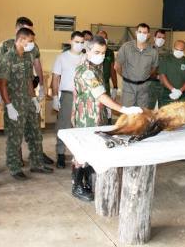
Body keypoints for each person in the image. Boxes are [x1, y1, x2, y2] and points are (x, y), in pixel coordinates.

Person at [71, 35, 143, 201]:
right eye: (97, 52)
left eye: (103, 53)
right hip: (86, 117)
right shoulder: (86, 71)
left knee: (94, 150)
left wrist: (108, 110)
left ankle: (89, 181)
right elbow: (100, 95)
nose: (101, 56)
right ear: (87, 50)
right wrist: (123, 109)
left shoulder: (96, 66)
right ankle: (77, 186)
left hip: (98, 115)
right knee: (82, 151)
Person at [0, 17, 54, 165]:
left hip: (27, 96)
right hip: (12, 96)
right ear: (19, 32)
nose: (32, 37)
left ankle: (36, 159)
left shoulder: (29, 52)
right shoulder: (6, 48)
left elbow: (33, 70)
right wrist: (2, 97)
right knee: (15, 134)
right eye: (28, 31)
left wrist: (38, 89)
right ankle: (16, 162)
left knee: (33, 130)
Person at [52, 31, 85, 168]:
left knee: (81, 126)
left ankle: (79, 155)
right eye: (77, 42)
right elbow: (55, 78)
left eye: (82, 42)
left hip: (83, 96)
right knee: (63, 125)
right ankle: (60, 153)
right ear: (71, 41)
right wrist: (55, 96)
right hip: (67, 95)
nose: (79, 44)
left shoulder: (86, 57)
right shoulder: (62, 57)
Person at [115, 23, 159, 108]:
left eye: (145, 32)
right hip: (128, 87)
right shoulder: (126, 47)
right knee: (127, 113)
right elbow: (117, 66)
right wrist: (124, 76)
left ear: (148, 35)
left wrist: (145, 76)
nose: (142, 34)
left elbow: (154, 68)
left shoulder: (153, 51)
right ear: (136, 33)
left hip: (144, 88)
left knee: (141, 114)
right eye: (140, 32)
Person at [158, 40, 185, 107]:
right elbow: (162, 75)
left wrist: (180, 91)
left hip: (182, 94)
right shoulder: (165, 59)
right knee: (165, 115)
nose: (179, 51)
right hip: (166, 93)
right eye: (177, 49)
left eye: (181, 50)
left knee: (181, 115)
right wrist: (172, 89)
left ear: (184, 50)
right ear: (173, 48)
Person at [96, 30, 118, 123]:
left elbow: (112, 70)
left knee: (107, 108)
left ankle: (107, 125)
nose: (103, 39)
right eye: (100, 37)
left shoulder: (109, 52)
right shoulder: (91, 51)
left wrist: (115, 87)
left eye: (105, 38)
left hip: (105, 84)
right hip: (94, 82)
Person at [148, 29, 167, 109]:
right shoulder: (147, 50)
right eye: (159, 37)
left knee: (163, 108)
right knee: (148, 107)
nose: (161, 39)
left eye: (163, 38)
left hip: (163, 84)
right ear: (154, 38)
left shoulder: (168, 53)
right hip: (150, 83)